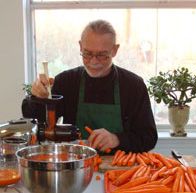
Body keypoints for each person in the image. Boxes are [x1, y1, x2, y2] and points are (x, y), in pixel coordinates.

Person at [22, 19, 158, 153]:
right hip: (75, 167)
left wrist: (117, 139)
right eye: (87, 54)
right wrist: (38, 97)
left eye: (102, 55)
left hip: (121, 168)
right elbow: (33, 119)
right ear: (80, 46)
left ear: (114, 50)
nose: (93, 61)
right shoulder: (67, 82)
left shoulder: (133, 86)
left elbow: (149, 138)